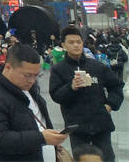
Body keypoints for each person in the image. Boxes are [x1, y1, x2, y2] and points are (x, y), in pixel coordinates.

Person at [0, 44, 66, 162]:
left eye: (36, 76)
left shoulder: (29, 89)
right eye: (27, 75)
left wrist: (51, 140)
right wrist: (41, 138)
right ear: (8, 67)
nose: (32, 80)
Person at [49, 26, 124, 162]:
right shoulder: (58, 69)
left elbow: (117, 86)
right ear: (64, 45)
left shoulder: (97, 66)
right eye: (71, 42)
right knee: (82, 159)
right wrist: (71, 87)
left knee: (106, 158)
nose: (76, 45)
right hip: (77, 128)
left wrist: (110, 105)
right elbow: (55, 95)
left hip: (101, 125)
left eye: (78, 42)